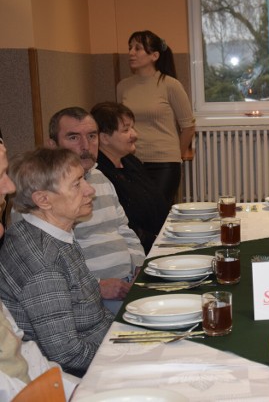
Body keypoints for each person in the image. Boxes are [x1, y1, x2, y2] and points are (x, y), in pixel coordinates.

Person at [0, 148, 114, 377]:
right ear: (43, 200)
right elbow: (67, 355)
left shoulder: (51, 233)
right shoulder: (44, 264)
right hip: (79, 374)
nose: (89, 190)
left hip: (104, 344)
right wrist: (123, 356)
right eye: (76, 184)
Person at [46, 107, 145, 314]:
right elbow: (50, 267)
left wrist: (139, 266)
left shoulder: (100, 178)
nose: (86, 145)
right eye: (73, 137)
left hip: (128, 282)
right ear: (53, 145)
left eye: (91, 136)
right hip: (94, 296)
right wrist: (98, 286)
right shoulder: (47, 194)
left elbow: (123, 228)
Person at [117, 30, 195, 205]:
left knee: (156, 211)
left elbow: (188, 127)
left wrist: (176, 156)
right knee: (135, 213)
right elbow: (120, 126)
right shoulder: (123, 86)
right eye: (130, 48)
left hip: (164, 163)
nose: (131, 53)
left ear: (154, 55)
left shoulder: (170, 85)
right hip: (131, 161)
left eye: (137, 48)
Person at [91, 102, 169, 254]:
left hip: (160, 240)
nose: (135, 134)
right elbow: (125, 226)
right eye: (126, 130)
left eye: (132, 127)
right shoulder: (100, 175)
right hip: (139, 251)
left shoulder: (130, 161)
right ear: (105, 138)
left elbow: (155, 200)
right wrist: (162, 243)